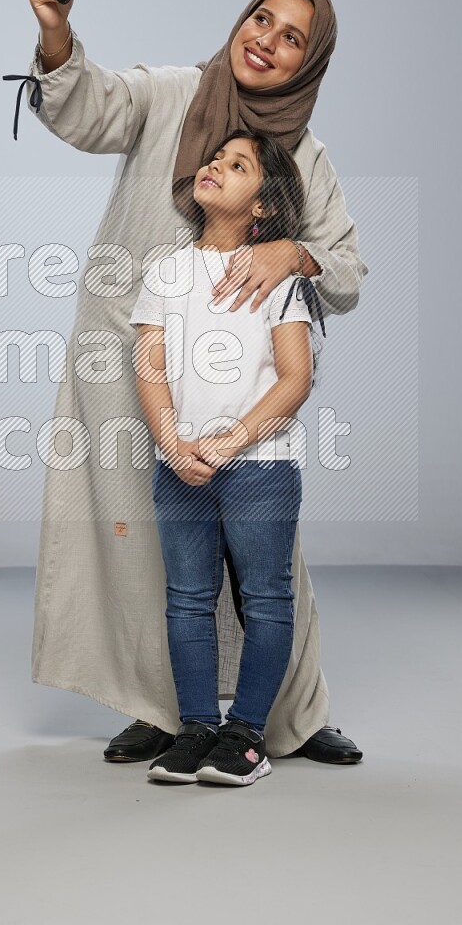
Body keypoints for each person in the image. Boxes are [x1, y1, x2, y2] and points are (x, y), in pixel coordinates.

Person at [9, 0, 368, 764]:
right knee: (149, 537)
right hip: (130, 353)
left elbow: (346, 272)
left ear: (309, 62)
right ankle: (165, 710)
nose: (267, 41)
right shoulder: (172, 93)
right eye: (261, 20)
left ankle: (282, 718)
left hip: (241, 387)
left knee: (262, 548)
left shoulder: (303, 159)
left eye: (291, 38)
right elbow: (90, 108)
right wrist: (58, 31)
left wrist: (297, 257)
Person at [131, 128, 316, 786]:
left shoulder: (276, 277)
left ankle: (247, 736)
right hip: (178, 465)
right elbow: (149, 368)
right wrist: (171, 446)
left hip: (259, 467)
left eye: (237, 165)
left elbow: (294, 378)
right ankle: (196, 728)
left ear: (262, 204)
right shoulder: (165, 270)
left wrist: (231, 440)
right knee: (186, 599)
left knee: (265, 598)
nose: (216, 165)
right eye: (217, 157)